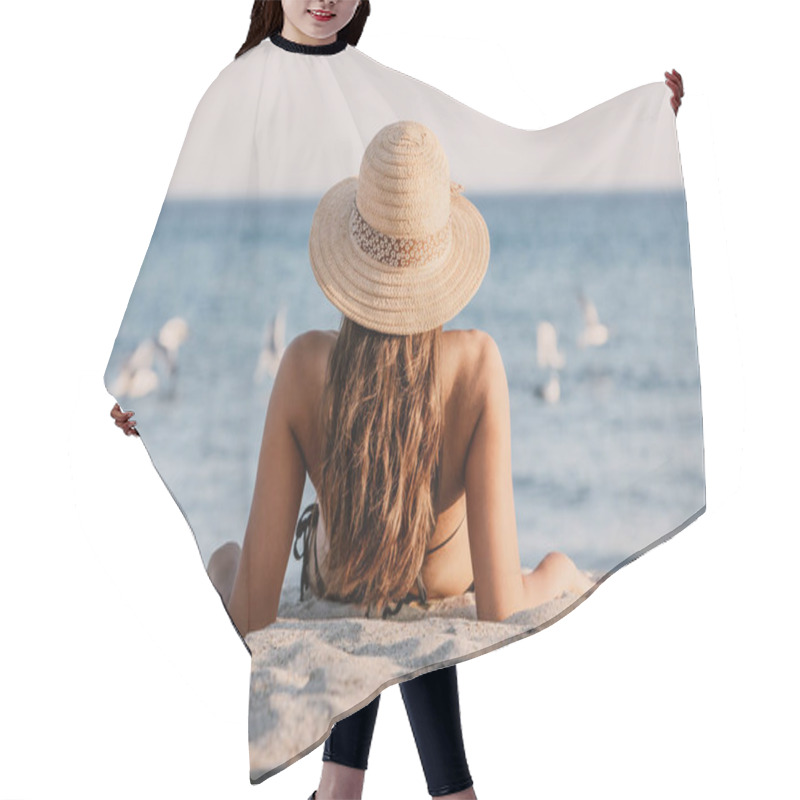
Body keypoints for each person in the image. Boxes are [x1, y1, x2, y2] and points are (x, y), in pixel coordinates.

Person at [108, 3, 686, 798]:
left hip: (343, 585)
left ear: (352, 247)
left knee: (344, 599)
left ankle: (345, 785)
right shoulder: (478, 363)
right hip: (431, 597)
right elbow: (495, 609)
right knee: (435, 603)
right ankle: (439, 788)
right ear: (443, 250)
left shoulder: (305, 367)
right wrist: (555, 574)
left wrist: (220, 557)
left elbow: (255, 618)